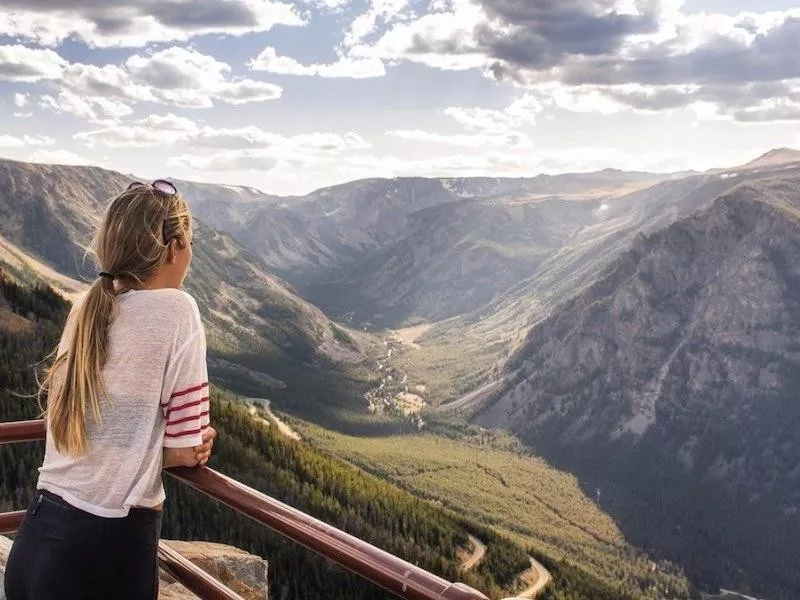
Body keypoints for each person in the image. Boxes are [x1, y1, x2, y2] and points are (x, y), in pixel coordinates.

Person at [4, 180, 217, 600]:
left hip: (37, 538)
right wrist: (190, 446)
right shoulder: (178, 310)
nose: (190, 254)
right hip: (106, 551)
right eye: (190, 243)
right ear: (173, 248)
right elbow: (184, 447)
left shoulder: (88, 306)